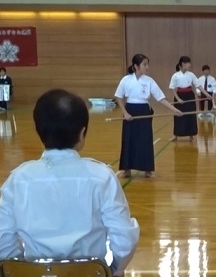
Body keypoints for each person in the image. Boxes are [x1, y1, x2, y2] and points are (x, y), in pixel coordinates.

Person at [0, 89, 140, 277]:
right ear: (82, 133)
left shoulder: (18, 179)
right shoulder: (101, 177)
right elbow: (124, 239)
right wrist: (114, 270)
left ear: (39, 130)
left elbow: (3, 237)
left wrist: (21, 271)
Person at [115, 54, 181, 178]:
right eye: (144, 64)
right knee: (128, 139)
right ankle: (126, 169)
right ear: (136, 66)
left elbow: (160, 98)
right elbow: (118, 97)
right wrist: (125, 113)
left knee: (145, 140)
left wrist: (174, 109)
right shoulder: (126, 80)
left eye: (147, 64)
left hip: (144, 111)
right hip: (130, 110)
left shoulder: (149, 81)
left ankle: (147, 170)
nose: (147, 67)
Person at [169, 56, 212, 142]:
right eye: (188, 63)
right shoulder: (175, 75)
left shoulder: (191, 74)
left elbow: (198, 86)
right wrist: (178, 99)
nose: (190, 65)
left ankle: (191, 135)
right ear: (182, 64)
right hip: (179, 95)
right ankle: (176, 135)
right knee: (178, 115)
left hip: (189, 95)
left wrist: (207, 95)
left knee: (191, 115)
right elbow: (172, 88)